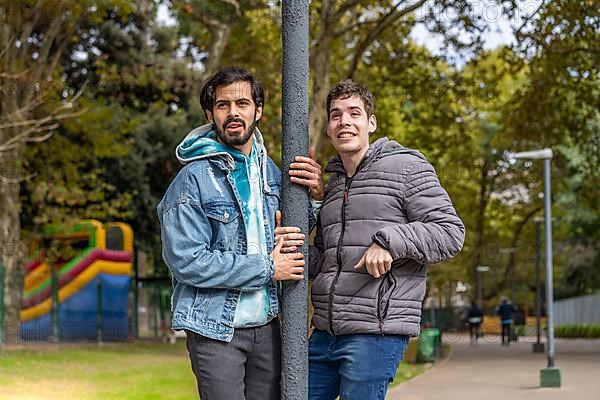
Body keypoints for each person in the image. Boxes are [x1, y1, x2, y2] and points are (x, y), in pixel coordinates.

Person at [157, 66, 323, 400]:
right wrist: (267, 268)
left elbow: (296, 227)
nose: (234, 112)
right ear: (210, 114)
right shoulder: (192, 180)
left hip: (268, 326)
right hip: (216, 330)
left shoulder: (270, 171)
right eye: (223, 105)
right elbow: (188, 261)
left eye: (243, 103)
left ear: (257, 110)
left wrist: (317, 195)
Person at [307, 79, 465, 400]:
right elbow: (325, 259)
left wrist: (390, 242)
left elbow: (450, 232)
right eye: (336, 115)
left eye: (354, 113)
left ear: (371, 123)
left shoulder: (406, 166)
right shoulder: (334, 184)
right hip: (325, 331)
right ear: (328, 128)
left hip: (375, 332)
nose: (345, 122)